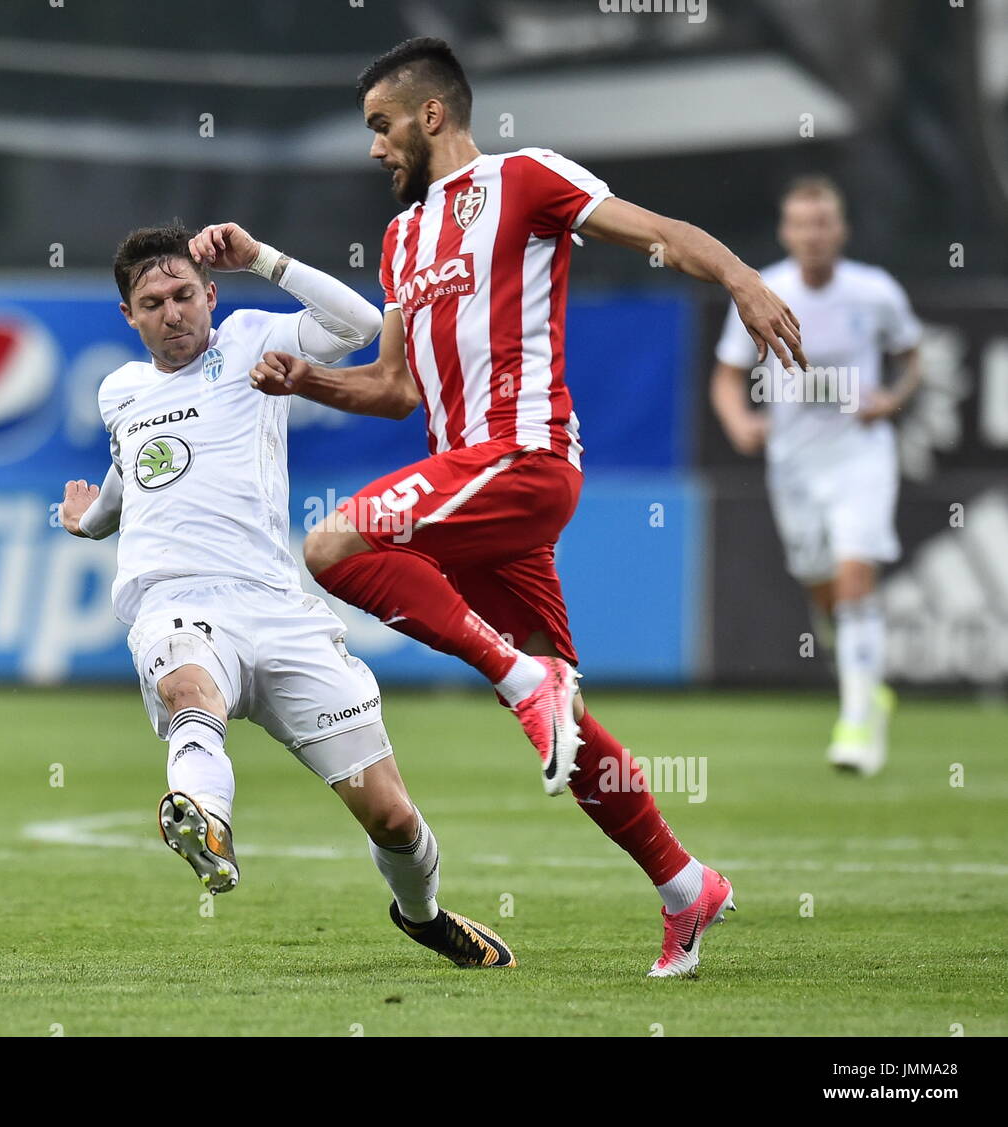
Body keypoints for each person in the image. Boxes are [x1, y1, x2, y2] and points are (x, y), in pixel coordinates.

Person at [248, 38, 804, 976]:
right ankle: (684, 885)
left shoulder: (528, 179)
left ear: (432, 115)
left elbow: (659, 230)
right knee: (569, 725)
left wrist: (746, 280)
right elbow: (392, 387)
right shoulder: (401, 239)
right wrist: (308, 378)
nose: (375, 147)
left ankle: (516, 676)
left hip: (524, 456)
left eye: (381, 126)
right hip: (467, 488)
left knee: (334, 543)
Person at [60, 220, 516, 969]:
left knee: (393, 817)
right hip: (174, 599)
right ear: (129, 316)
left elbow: (362, 324)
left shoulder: (247, 342)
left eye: (183, 294)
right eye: (152, 302)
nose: (172, 312)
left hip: (275, 605)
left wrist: (263, 260)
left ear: (209, 294)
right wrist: (91, 520)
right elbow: (129, 477)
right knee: (188, 690)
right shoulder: (121, 391)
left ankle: (424, 914)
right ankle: (205, 819)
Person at [711, 175, 923, 775]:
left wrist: (893, 398)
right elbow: (727, 375)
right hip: (794, 464)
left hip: (860, 453)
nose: (813, 234)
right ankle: (864, 681)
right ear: (786, 232)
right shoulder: (764, 290)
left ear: (841, 229)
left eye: (823, 222)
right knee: (821, 585)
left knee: (857, 573)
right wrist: (738, 422)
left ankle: (857, 720)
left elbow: (912, 356)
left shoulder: (874, 292)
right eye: (801, 224)